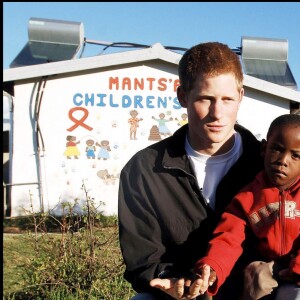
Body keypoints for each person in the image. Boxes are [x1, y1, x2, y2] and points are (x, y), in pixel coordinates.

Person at [118, 41, 264, 300]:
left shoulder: (266, 166)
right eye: (205, 99)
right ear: (183, 96)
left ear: (240, 96)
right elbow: (143, 259)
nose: (217, 113)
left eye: (227, 99)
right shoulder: (143, 171)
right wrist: (174, 282)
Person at [193, 113, 300, 300]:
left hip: (297, 268)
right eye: (276, 149)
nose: (283, 160)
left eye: (296, 155)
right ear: (264, 148)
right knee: (254, 276)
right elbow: (228, 237)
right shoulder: (248, 197)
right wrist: (213, 266)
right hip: (268, 267)